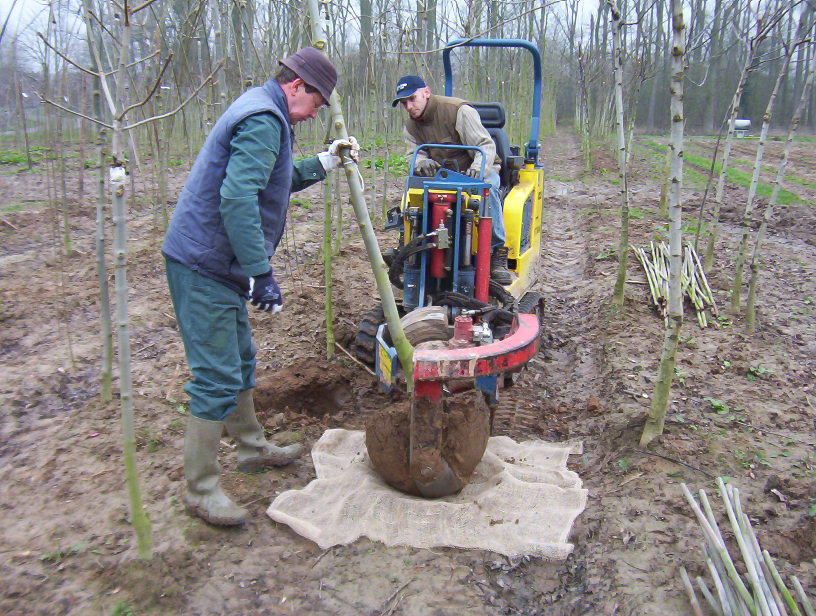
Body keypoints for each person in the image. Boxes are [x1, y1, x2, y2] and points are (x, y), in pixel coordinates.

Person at [162, 47, 360, 527]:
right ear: (296, 86)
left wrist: (323, 164)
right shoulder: (264, 119)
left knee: (242, 359)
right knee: (215, 377)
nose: (316, 113)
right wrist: (259, 271)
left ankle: (251, 449)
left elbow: (273, 179)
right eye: (316, 102)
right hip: (204, 263)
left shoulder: (265, 109)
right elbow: (236, 198)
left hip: (218, 261)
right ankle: (201, 490)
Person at [391, 74, 512, 284]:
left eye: (412, 99)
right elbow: (413, 153)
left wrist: (477, 170)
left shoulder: (458, 111)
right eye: (404, 103)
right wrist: (421, 163)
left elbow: (485, 146)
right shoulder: (411, 125)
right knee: (414, 193)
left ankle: (496, 252)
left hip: (477, 170)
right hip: (444, 175)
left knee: (487, 190)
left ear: (426, 93)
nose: (409, 107)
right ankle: (409, 246)